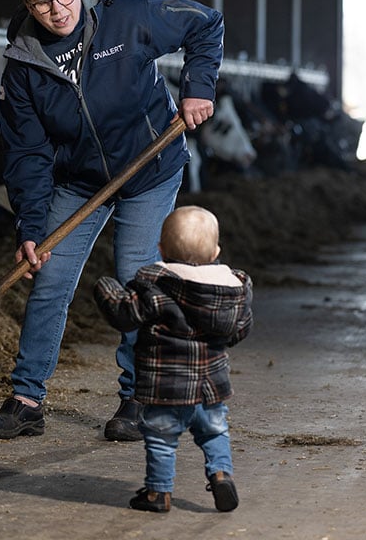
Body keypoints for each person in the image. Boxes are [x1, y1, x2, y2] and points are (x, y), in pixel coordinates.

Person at [0, 0, 223, 442]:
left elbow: (206, 23)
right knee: (48, 280)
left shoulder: (128, 16)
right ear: (27, 3)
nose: (57, 10)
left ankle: (137, 397)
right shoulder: (23, 65)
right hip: (78, 182)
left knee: (136, 283)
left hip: (149, 167)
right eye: (42, 2)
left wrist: (198, 86)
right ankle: (26, 400)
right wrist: (29, 225)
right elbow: (26, 153)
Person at [93, 205, 252, 512]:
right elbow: (238, 331)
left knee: (161, 441)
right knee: (215, 432)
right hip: (210, 390)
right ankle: (220, 474)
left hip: (166, 390)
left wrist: (106, 287)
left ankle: (158, 493)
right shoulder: (231, 292)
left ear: (161, 249)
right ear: (216, 250)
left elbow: (125, 314)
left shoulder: (156, 287)